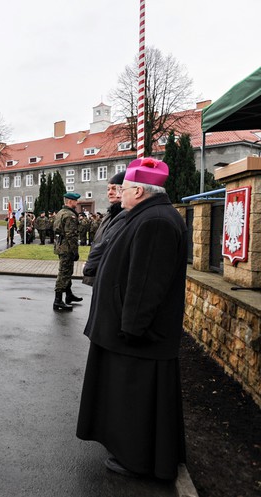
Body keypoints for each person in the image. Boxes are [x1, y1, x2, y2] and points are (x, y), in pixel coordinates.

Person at [76, 157, 187, 480]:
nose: (118, 194)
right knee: (126, 398)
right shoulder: (144, 215)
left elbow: (146, 284)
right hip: (124, 334)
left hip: (136, 338)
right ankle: (129, 451)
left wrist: (131, 328)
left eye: (123, 189)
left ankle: (137, 459)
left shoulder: (155, 221)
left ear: (138, 190)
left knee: (135, 402)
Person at [82, 171, 125, 287]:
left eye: (114, 189)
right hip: (98, 271)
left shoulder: (125, 215)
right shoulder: (110, 214)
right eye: (108, 189)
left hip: (109, 275)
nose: (110, 193)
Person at [52, 192, 81, 311]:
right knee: (64, 273)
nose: (77, 203)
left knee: (67, 271)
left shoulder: (61, 212)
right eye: (75, 201)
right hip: (67, 248)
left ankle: (69, 295)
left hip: (61, 246)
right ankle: (58, 301)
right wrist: (75, 251)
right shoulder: (69, 215)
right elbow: (71, 235)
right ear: (70, 202)